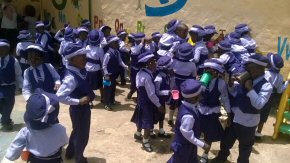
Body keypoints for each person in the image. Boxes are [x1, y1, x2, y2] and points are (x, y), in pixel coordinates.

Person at [212, 54, 273, 163]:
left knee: (245, 147)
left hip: (248, 123)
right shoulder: (245, 78)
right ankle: (222, 157)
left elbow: (259, 104)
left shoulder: (266, 86)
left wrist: (249, 89)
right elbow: (235, 94)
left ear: (259, 69)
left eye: (249, 68)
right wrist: (230, 85)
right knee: (226, 141)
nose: (247, 70)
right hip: (235, 118)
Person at [56, 42, 95, 163]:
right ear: (72, 59)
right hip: (79, 109)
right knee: (82, 135)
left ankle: (70, 150)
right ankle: (79, 158)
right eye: (82, 56)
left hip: (80, 109)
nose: (85, 58)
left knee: (76, 130)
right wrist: (78, 101)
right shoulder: (71, 78)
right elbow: (60, 96)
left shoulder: (77, 70)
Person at [3, 93, 68, 163]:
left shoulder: (25, 131)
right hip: (54, 160)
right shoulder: (60, 129)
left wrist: (10, 156)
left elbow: (15, 148)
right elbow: (64, 142)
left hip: (35, 160)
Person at [167, 79, 210, 163]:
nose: (202, 96)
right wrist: (203, 144)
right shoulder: (188, 115)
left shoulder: (186, 105)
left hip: (188, 145)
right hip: (184, 146)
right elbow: (187, 134)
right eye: (200, 95)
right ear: (195, 98)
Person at [198, 59, 231, 163]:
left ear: (216, 72)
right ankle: (192, 151)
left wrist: (229, 113)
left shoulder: (221, 83)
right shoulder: (201, 80)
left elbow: (225, 99)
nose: (207, 71)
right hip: (200, 110)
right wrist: (198, 84)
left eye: (211, 70)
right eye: (206, 69)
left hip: (212, 112)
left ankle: (205, 154)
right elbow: (196, 96)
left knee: (209, 135)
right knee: (196, 132)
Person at [131, 52, 165, 152]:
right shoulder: (147, 77)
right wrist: (159, 105)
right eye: (152, 62)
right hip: (147, 103)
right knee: (147, 122)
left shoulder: (140, 73)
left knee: (141, 118)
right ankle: (145, 141)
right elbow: (151, 94)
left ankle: (137, 134)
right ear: (147, 64)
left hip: (141, 101)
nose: (155, 63)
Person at [256, 53, 289, 137]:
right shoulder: (280, 77)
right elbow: (279, 91)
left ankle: (250, 130)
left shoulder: (265, 74)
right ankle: (258, 132)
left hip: (260, 94)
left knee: (256, 112)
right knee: (263, 115)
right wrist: (287, 82)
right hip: (270, 98)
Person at [168, 42, 197, 126]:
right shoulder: (192, 65)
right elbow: (194, 76)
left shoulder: (174, 62)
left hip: (175, 87)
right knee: (182, 105)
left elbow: (170, 71)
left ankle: (170, 119)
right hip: (185, 88)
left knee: (173, 102)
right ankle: (179, 121)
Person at [0, 39, 23, 130]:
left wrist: (21, 87)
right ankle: (6, 119)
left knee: (9, 104)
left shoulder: (14, 61)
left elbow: (18, 75)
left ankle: (5, 120)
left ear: (7, 49)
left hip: (9, 87)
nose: (0, 50)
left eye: (2, 48)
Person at [102, 35, 128, 110]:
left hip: (114, 75)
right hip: (107, 76)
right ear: (110, 44)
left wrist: (125, 66)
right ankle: (106, 104)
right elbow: (104, 65)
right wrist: (106, 74)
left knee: (113, 88)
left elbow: (120, 61)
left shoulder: (117, 52)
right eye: (116, 43)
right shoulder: (108, 54)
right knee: (107, 90)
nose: (118, 44)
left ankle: (112, 101)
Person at [154, 56, 174, 138]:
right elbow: (156, 92)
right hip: (157, 101)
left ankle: (161, 130)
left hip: (162, 100)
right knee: (155, 116)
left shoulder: (167, 76)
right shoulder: (158, 79)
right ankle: (151, 131)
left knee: (162, 115)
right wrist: (168, 92)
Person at [86, 29, 104, 102]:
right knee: (100, 85)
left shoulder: (87, 47)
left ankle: (90, 102)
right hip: (97, 70)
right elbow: (102, 60)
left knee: (88, 87)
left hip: (87, 70)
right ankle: (102, 98)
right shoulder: (100, 49)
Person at [127, 33, 146, 99]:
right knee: (134, 83)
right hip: (135, 68)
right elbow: (135, 52)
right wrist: (142, 43)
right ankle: (131, 92)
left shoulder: (143, 47)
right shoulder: (134, 47)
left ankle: (138, 97)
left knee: (140, 84)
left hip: (141, 68)